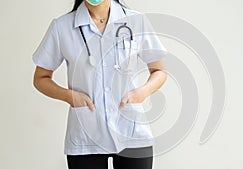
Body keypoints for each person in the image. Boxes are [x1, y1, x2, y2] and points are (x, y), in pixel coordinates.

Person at [32, 0, 168, 168]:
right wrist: (70, 97)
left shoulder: (136, 21)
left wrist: (141, 93)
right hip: (86, 135)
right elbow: (40, 78)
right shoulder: (62, 27)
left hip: (131, 131)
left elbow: (159, 71)